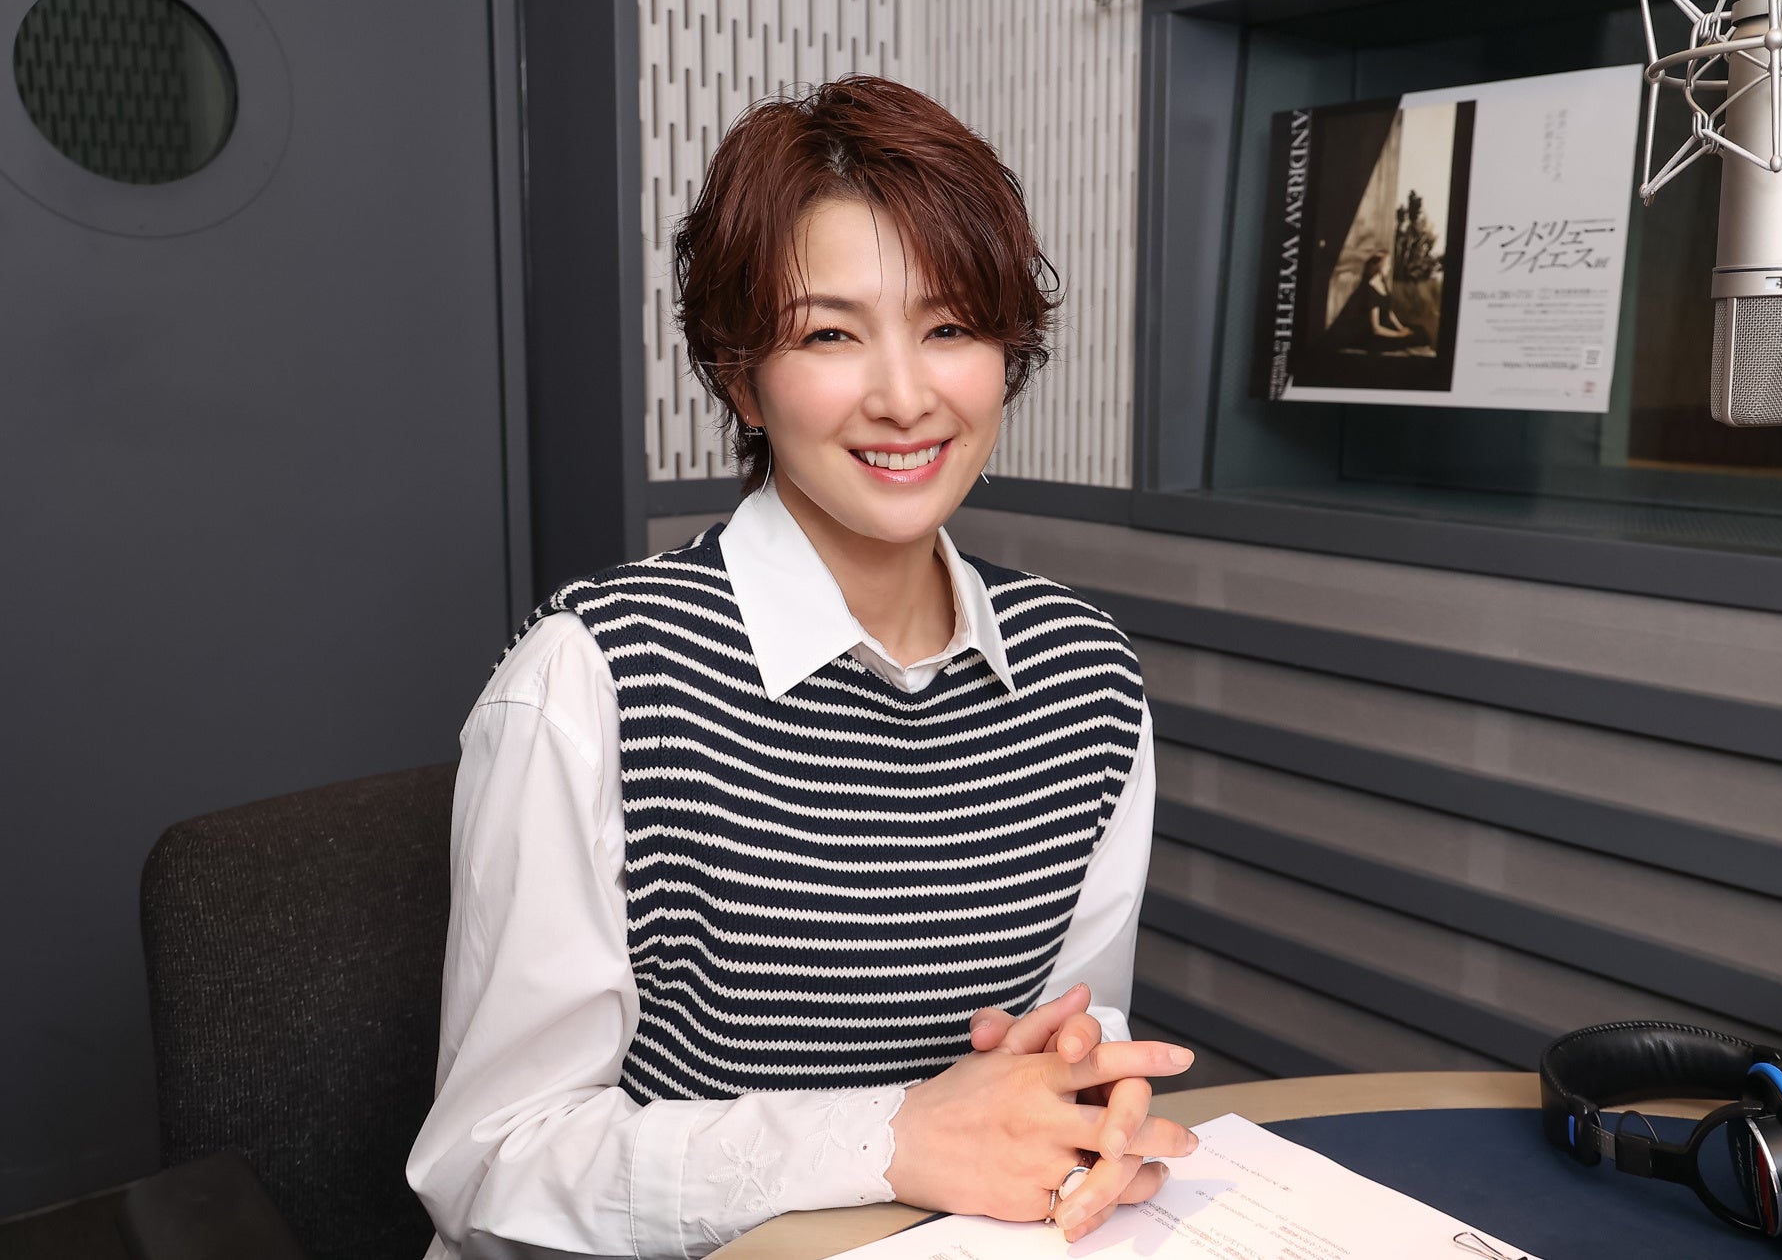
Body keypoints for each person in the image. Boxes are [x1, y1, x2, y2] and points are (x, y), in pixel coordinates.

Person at [407, 76, 1198, 1258]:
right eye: (830, 334)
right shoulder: (595, 679)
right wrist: (887, 1139)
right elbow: (490, 1161)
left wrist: (1082, 1101)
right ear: (741, 376)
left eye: (949, 328)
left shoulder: (1083, 678)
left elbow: (1069, 1035)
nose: (904, 397)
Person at [1324, 251, 1432, 355]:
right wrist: (1399, 335)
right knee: (1417, 338)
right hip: (1373, 335)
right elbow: (1376, 328)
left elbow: (1389, 311)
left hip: (1386, 326)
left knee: (1420, 331)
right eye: (1387, 264)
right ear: (1379, 266)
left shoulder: (1382, 282)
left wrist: (1401, 327)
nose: (1389, 267)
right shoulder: (1370, 290)